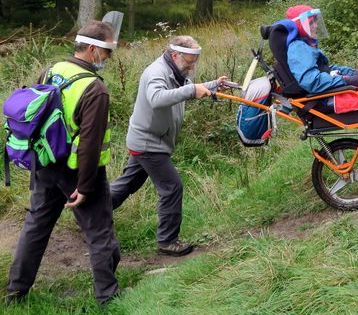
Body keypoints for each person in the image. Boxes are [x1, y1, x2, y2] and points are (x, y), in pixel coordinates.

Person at [6, 21, 121, 305]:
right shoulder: (95, 89)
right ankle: (108, 297)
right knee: (99, 231)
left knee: (36, 226)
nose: (109, 57)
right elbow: (90, 145)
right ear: (93, 49)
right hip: (76, 171)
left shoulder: (53, 70)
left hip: (44, 163)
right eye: (107, 51)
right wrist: (85, 185)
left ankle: (15, 292)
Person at [110, 36, 226, 257]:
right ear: (175, 55)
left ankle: (90, 212)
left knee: (128, 183)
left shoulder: (173, 70)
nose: (192, 66)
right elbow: (157, 98)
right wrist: (193, 91)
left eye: (195, 61)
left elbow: (184, 88)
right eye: (189, 61)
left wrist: (212, 85)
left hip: (148, 139)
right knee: (172, 188)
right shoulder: (156, 72)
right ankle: (167, 241)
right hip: (148, 143)